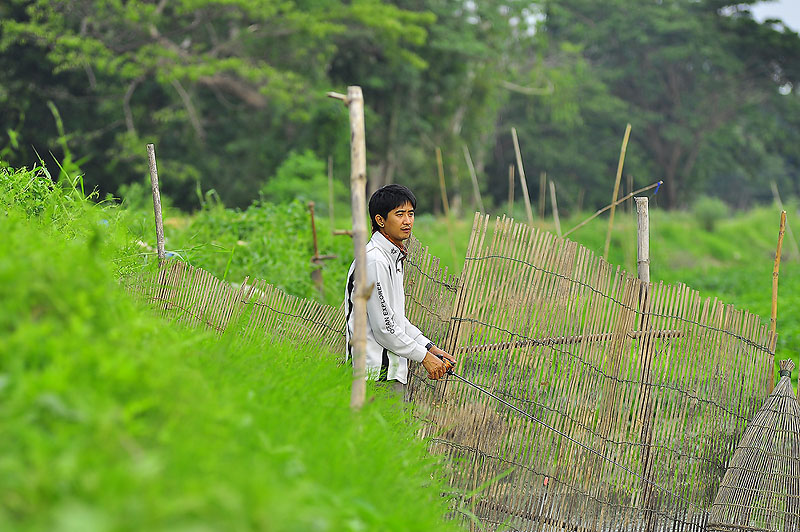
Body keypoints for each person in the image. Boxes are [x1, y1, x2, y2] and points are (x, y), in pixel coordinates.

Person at [344, 184, 456, 396]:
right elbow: (385, 328)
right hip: (375, 377)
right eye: (399, 214)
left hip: (387, 375)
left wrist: (430, 348)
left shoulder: (391, 257)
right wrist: (424, 357)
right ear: (380, 220)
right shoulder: (374, 261)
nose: (407, 221)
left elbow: (396, 320)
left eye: (411, 214)